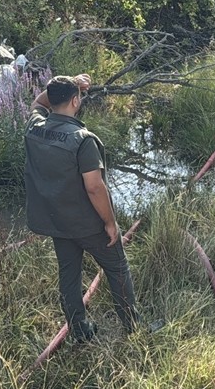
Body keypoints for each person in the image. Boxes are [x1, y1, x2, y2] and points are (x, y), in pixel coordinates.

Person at [24, 73, 140, 343]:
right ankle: (134, 328)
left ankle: (79, 331)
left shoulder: (35, 126)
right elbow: (94, 187)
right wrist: (110, 223)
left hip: (57, 222)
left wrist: (68, 82)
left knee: (69, 274)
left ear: (53, 102)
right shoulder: (82, 140)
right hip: (87, 224)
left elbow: (37, 104)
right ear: (76, 101)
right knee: (118, 268)